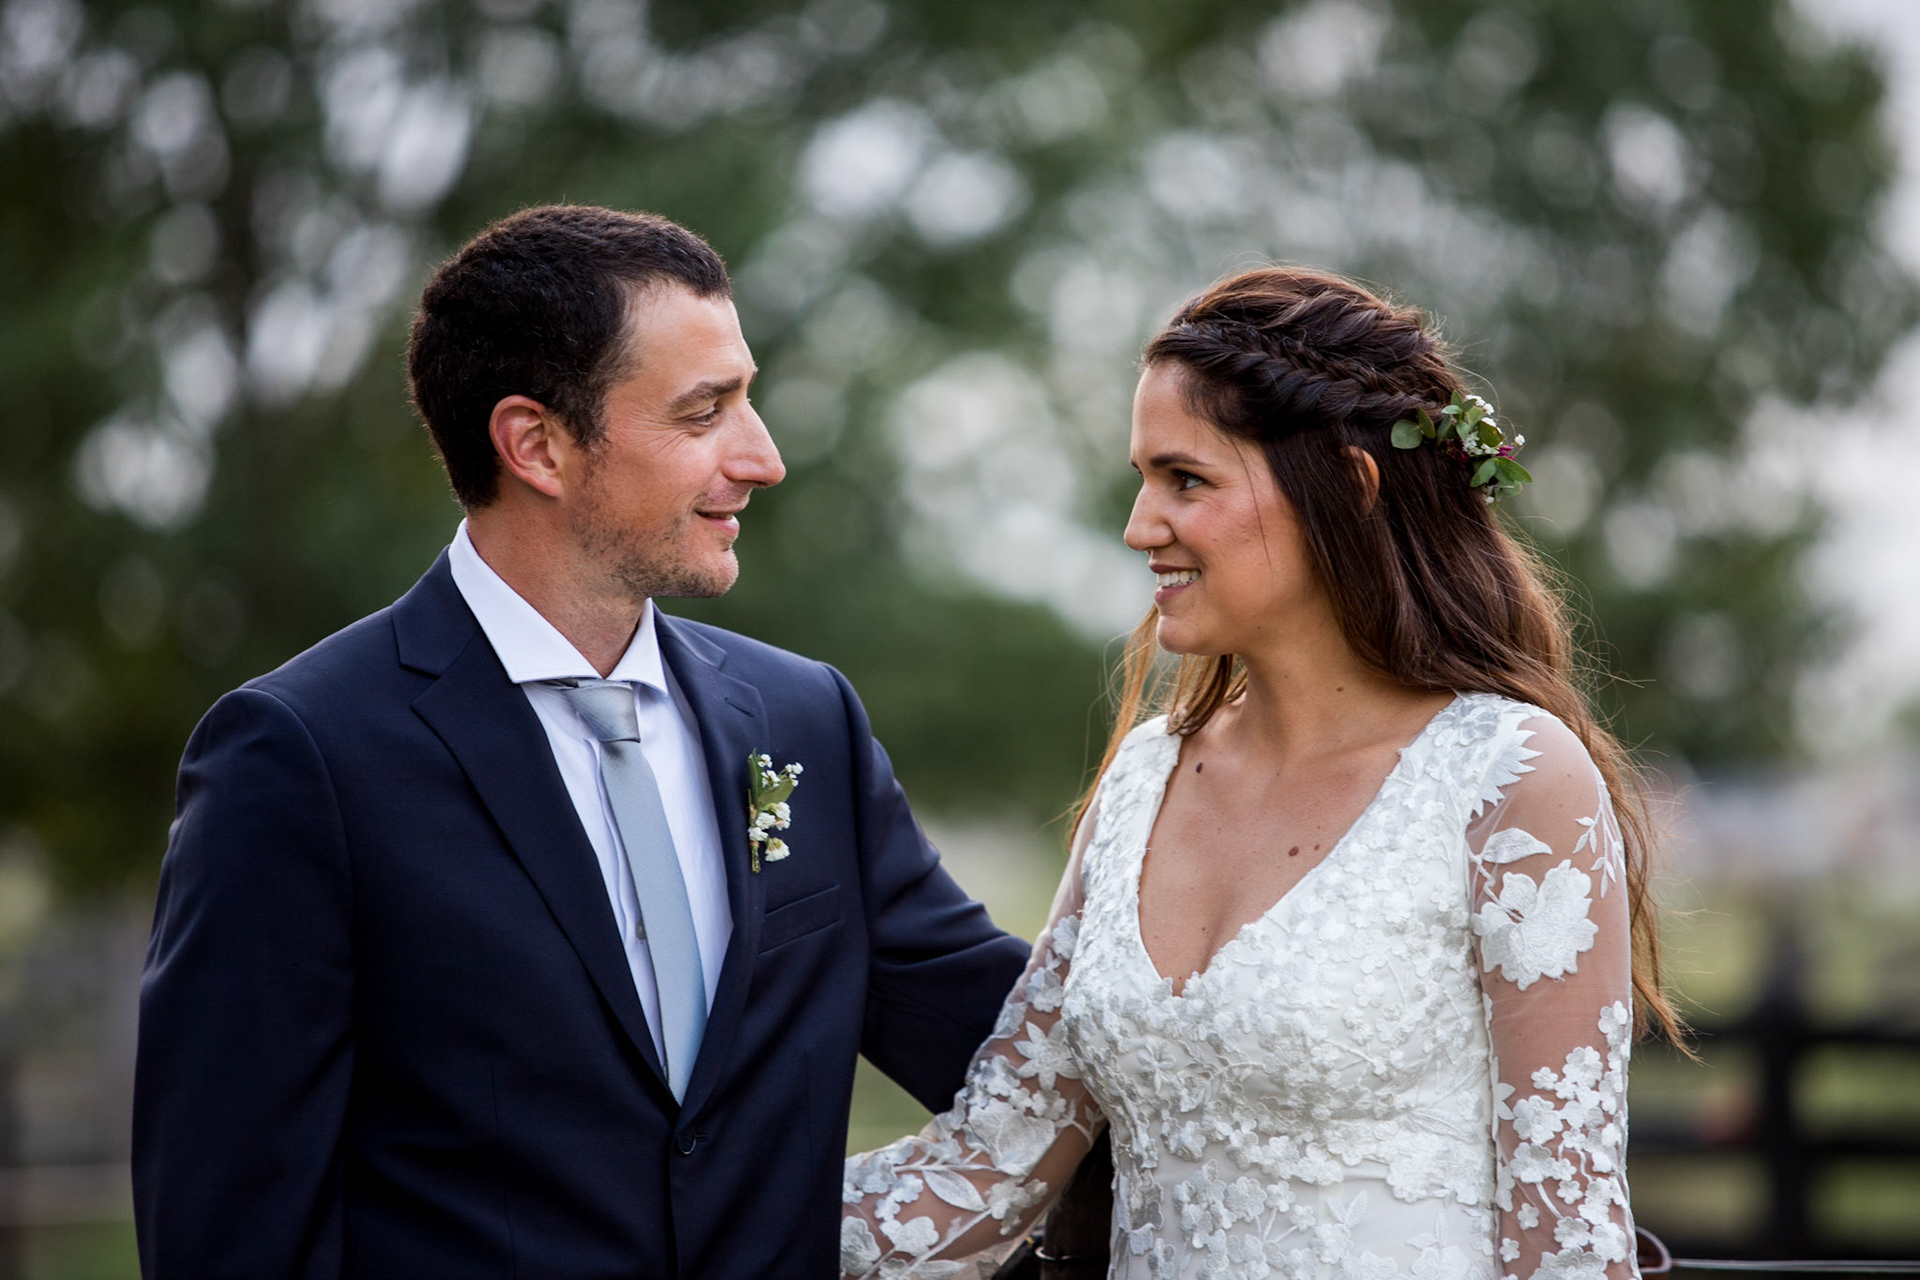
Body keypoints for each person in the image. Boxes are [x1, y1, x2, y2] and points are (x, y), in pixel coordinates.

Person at [132, 205, 1030, 1278]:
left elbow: (1016, 1046)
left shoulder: (806, 720)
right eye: (705, 412)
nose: (764, 457)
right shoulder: (300, 756)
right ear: (537, 445)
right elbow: (233, 1227)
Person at [842, 267, 1680, 1280]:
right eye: (1142, 478)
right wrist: (690, 1215)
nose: (1139, 524)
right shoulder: (1143, 782)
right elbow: (986, 1173)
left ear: (1351, 487)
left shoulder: (1510, 779)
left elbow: (1569, 1240)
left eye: (1186, 479)